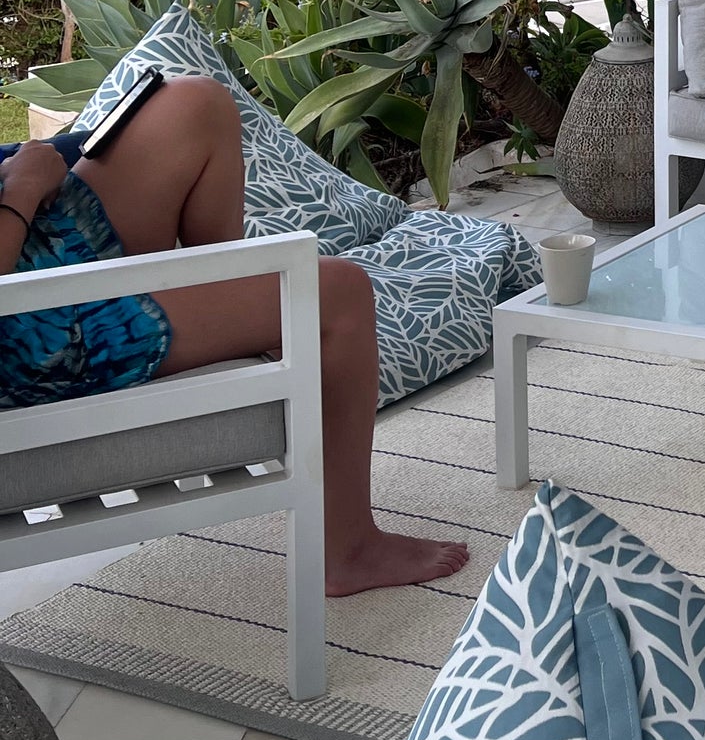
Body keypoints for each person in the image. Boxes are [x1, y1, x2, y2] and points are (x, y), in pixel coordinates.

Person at [0, 78, 467, 596]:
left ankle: (229, 303)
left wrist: (29, 171)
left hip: (33, 239)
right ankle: (347, 549)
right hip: (28, 320)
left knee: (197, 103)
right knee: (333, 292)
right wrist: (22, 186)